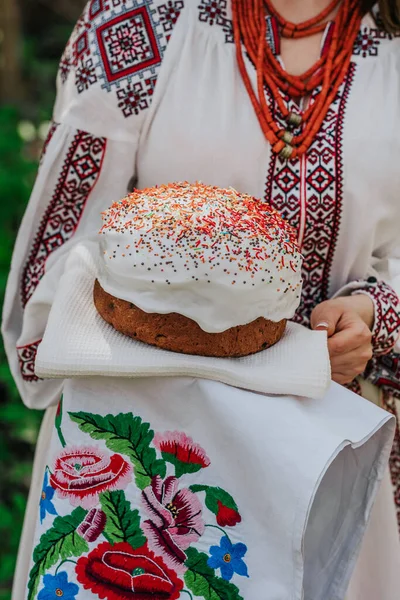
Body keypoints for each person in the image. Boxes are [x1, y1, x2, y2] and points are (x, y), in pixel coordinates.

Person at [2, 0, 400, 598]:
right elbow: (59, 252)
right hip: (145, 465)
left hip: (330, 456)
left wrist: (375, 314)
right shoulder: (138, 19)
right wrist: (181, 321)